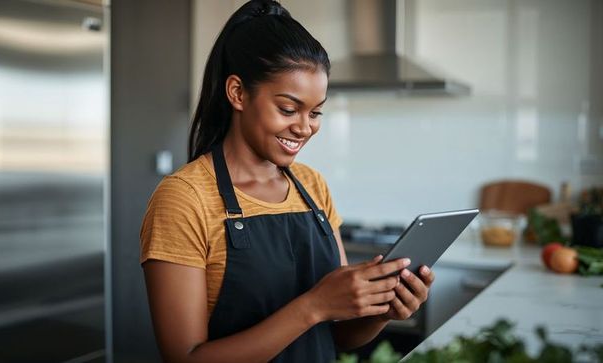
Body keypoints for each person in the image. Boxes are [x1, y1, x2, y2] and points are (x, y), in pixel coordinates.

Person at [140, 1, 435, 362]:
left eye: (316, 112)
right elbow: (184, 358)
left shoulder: (312, 186)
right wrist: (312, 306)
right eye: (288, 108)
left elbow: (340, 334)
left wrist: (383, 311)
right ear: (237, 93)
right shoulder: (185, 198)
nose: (304, 127)